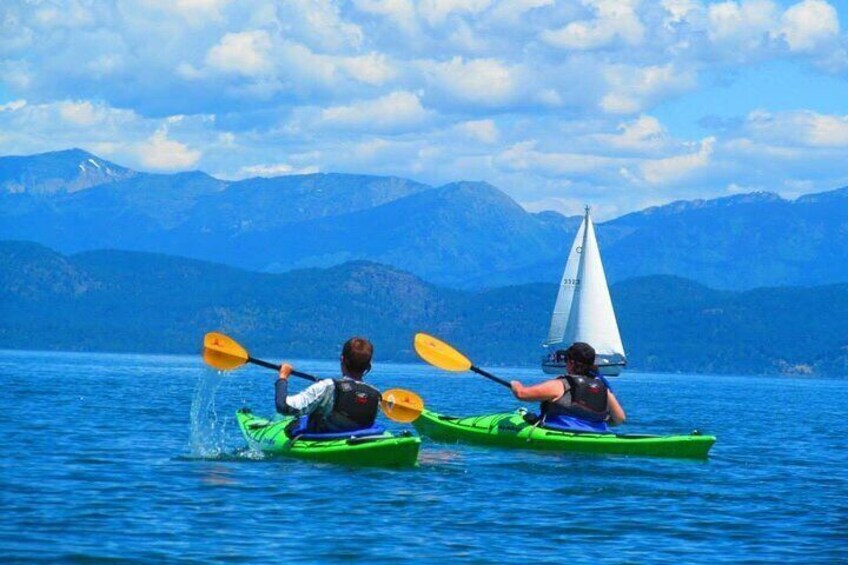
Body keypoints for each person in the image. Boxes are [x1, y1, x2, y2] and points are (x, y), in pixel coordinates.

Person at [510, 342, 625, 432]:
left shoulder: (560, 385)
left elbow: (522, 394)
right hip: (597, 433)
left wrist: (516, 385)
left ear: (571, 363)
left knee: (522, 414)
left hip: (558, 432)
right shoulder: (603, 388)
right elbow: (619, 419)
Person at [275, 337, 382, 434]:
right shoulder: (376, 395)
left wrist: (283, 377)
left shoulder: (327, 386)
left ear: (342, 359)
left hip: (325, 437)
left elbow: (283, 406)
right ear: (368, 366)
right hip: (357, 437)